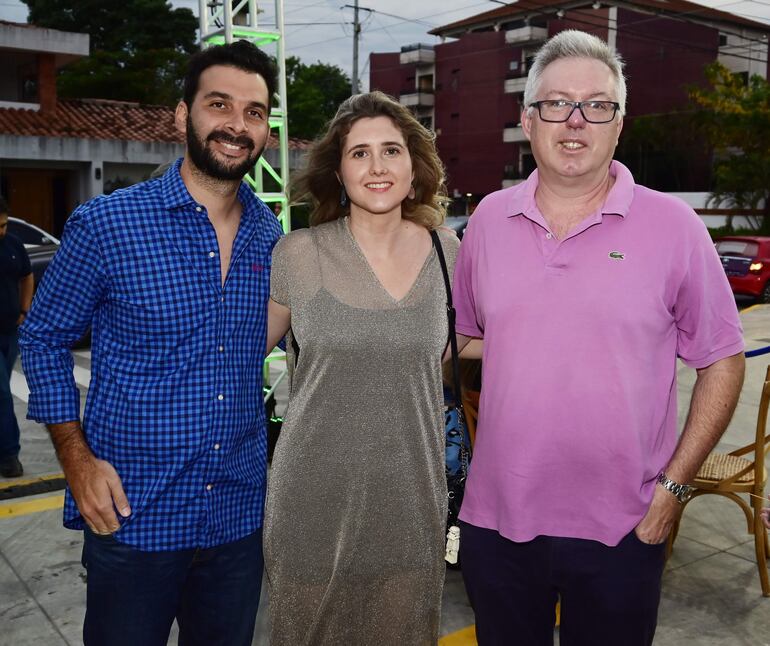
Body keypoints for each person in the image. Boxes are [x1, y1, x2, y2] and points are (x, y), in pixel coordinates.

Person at [452, 30, 746, 646]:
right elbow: (466, 342)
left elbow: (721, 359)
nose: (576, 120)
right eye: (556, 104)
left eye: (598, 104)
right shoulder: (486, 221)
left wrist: (674, 487)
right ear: (528, 121)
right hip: (499, 524)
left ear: (619, 123)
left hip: (625, 527)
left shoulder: (676, 227)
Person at [19, 40, 282, 646]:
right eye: (219, 104)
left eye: (254, 112)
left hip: (236, 522)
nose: (236, 126)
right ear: (181, 115)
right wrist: (76, 462)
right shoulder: (107, 225)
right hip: (133, 519)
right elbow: (43, 337)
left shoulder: (274, 240)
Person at [263, 90, 459, 645]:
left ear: (414, 167)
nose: (377, 167)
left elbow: (461, 346)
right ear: (338, 172)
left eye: (392, 151)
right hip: (311, 498)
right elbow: (236, 352)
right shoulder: (298, 254)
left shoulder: (451, 252)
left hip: (411, 498)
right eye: (360, 153)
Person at [0, 196, 33, 478]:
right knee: (1, 392)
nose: (1, 230)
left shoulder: (13, 245)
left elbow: (26, 275)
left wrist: (24, 309)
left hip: (10, 331)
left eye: (4, 224)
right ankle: (10, 455)